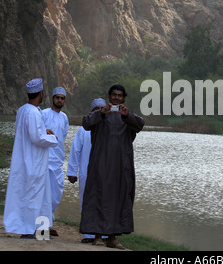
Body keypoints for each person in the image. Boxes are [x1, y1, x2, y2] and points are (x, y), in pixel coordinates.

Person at [80, 84, 145, 249]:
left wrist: (127, 115)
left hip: (120, 167)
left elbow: (140, 124)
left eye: (119, 95)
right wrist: (101, 113)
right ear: (109, 97)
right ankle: (97, 236)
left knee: (117, 200)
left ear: (123, 98)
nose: (116, 98)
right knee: (98, 198)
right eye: (114, 95)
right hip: (100, 165)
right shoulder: (99, 113)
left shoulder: (127, 116)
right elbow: (86, 123)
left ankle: (112, 238)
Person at [3, 78, 58, 238]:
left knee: (35, 195)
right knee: (34, 195)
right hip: (33, 161)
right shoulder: (33, 112)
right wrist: (53, 139)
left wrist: (43, 130)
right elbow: (35, 137)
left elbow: (32, 132)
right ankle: (28, 229)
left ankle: (39, 229)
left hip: (27, 158)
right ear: (40, 93)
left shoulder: (23, 110)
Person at [67, 98, 107, 243]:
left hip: (105, 174)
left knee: (105, 202)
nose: (99, 111)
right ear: (91, 112)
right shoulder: (83, 130)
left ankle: (105, 234)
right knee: (87, 201)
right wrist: (72, 172)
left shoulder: (109, 128)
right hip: (86, 172)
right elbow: (75, 151)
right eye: (96, 109)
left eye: (102, 108)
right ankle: (89, 234)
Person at [41, 87, 69, 236]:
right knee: (44, 194)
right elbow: (37, 131)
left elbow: (62, 137)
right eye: (57, 97)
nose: (59, 100)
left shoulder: (64, 117)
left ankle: (48, 222)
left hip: (57, 160)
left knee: (55, 194)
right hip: (45, 159)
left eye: (62, 98)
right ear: (52, 99)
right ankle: (44, 226)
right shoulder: (43, 113)